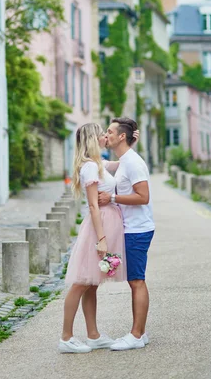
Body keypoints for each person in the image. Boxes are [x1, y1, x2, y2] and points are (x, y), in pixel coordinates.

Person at [59, 123, 138, 354]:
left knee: (91, 284)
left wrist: (131, 141)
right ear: (93, 139)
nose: (106, 136)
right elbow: (93, 206)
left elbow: (123, 160)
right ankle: (66, 337)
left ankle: (93, 335)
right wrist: (101, 238)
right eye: (102, 133)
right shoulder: (90, 168)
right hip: (99, 226)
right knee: (82, 282)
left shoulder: (98, 164)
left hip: (106, 224)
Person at [99, 117, 155, 351]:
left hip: (137, 229)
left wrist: (111, 198)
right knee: (135, 281)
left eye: (110, 131)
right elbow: (101, 165)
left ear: (122, 136)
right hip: (131, 229)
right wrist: (100, 146)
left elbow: (143, 197)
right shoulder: (125, 159)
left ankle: (136, 335)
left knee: (137, 281)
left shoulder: (132, 162)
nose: (106, 134)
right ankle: (139, 333)